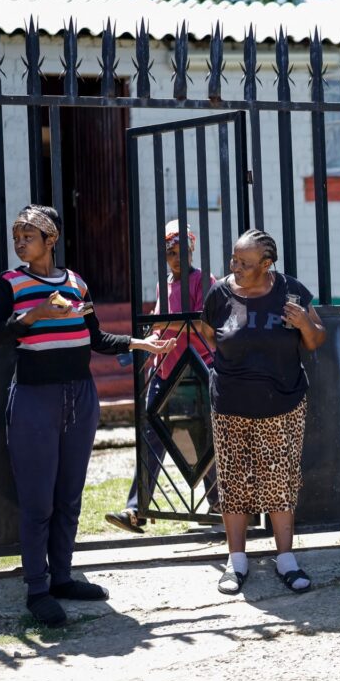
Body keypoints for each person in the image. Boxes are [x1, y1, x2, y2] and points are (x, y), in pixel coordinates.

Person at [0, 204, 175, 627]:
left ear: (50, 239)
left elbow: (95, 338)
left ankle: (63, 577)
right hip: (34, 398)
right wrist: (34, 315)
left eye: (28, 236)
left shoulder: (76, 284)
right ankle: (37, 588)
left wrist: (140, 344)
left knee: (69, 494)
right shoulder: (10, 283)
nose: (20, 243)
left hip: (80, 397)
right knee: (37, 498)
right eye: (17, 237)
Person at [194, 229, 327, 595]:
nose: (235, 267)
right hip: (230, 404)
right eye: (234, 259)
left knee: (280, 480)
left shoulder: (290, 291)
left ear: (266, 264)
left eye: (244, 262)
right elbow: (209, 332)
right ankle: (236, 562)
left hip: (282, 403)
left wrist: (304, 324)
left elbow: (316, 339)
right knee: (233, 481)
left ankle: (286, 560)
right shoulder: (219, 293)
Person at [104, 219, 218, 533]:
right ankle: (136, 509)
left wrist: (162, 325)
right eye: (170, 252)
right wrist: (152, 340)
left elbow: (200, 323)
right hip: (165, 371)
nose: (176, 258)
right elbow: (159, 325)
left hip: (195, 372)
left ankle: (219, 503)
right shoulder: (163, 285)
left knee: (202, 437)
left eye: (182, 251)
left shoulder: (203, 280)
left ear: (192, 250)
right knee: (151, 437)